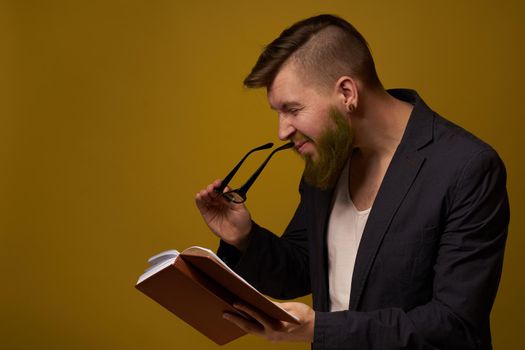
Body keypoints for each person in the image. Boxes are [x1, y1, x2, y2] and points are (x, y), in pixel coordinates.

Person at [195, 14, 509, 350]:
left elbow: (453, 325)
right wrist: (243, 237)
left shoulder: (467, 168)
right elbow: (303, 269)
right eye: (278, 112)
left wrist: (321, 329)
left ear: (347, 92)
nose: (282, 131)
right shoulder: (329, 157)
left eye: (293, 109)